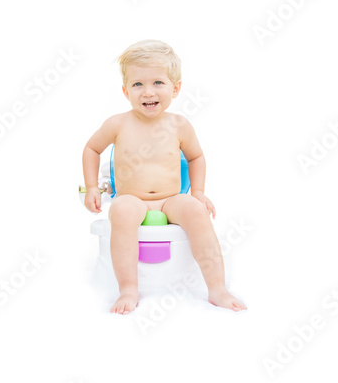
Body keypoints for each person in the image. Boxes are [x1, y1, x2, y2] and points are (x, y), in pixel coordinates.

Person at [82, 39, 246, 315]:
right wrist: (91, 187)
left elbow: (196, 157)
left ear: (176, 88)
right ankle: (128, 288)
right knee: (121, 211)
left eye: (158, 82)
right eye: (138, 84)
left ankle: (217, 287)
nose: (148, 92)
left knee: (196, 212)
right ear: (125, 91)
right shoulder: (117, 124)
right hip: (132, 198)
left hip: (171, 199)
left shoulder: (179, 125)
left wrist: (198, 192)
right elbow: (91, 148)